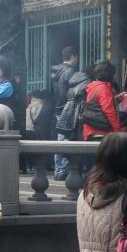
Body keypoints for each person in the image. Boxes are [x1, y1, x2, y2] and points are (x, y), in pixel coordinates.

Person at [50, 46, 79, 179]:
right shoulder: (70, 71)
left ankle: (58, 169)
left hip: (57, 107)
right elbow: (70, 92)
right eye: (76, 57)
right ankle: (62, 169)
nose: (77, 59)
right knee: (66, 138)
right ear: (73, 56)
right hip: (67, 108)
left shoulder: (55, 71)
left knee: (60, 137)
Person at [82, 61, 123, 141]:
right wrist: (117, 130)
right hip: (100, 132)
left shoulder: (93, 86)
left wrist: (115, 100)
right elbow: (109, 111)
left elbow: (96, 104)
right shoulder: (103, 88)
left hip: (90, 130)